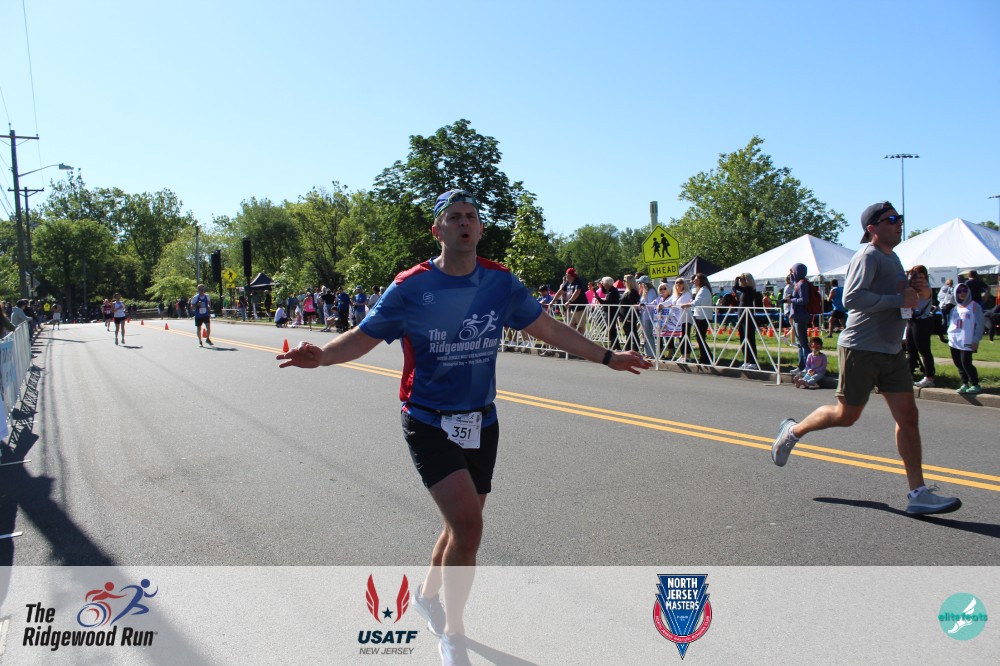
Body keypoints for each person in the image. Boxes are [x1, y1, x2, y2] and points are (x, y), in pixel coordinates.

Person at [276, 189, 649, 665]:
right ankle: (453, 633)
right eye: (453, 217)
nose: (464, 223)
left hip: (480, 421)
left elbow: (548, 328)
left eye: (471, 216)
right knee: (469, 527)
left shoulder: (499, 282)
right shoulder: (410, 286)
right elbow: (363, 336)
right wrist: (324, 356)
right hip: (427, 420)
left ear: (480, 228)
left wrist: (607, 356)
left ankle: (426, 596)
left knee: (460, 527)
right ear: (438, 230)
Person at [771, 201, 961, 515]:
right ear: (872, 228)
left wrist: (922, 295)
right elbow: (852, 298)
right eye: (891, 219)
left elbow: (905, 304)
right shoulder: (867, 256)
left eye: (899, 218)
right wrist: (898, 299)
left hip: (891, 350)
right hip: (861, 348)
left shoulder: (894, 258)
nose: (898, 223)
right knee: (846, 416)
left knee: (908, 417)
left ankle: (918, 493)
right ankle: (792, 431)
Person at [947, 282, 985, 395]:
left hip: (967, 340)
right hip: (954, 340)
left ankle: (975, 384)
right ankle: (965, 383)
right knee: (958, 363)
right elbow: (951, 324)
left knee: (966, 363)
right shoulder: (954, 308)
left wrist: (976, 339)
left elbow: (980, 324)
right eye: (959, 291)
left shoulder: (974, 306)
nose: (962, 293)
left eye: (964, 290)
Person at [904, 266, 935, 388]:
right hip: (912, 320)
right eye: (915, 276)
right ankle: (908, 376)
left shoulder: (926, 288)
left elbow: (919, 294)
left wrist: (908, 284)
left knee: (924, 350)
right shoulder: (910, 286)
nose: (918, 279)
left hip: (923, 321)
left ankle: (929, 377)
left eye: (921, 276)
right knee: (911, 350)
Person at [787, 264, 812, 373]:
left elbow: (804, 300)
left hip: (801, 315)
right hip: (798, 315)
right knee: (800, 343)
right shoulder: (799, 283)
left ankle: (807, 366)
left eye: (793, 272)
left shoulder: (802, 284)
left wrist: (791, 300)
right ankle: (801, 366)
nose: (791, 274)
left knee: (803, 343)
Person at [734, 273, 760, 369]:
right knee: (743, 339)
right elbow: (735, 289)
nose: (740, 281)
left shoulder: (749, 289)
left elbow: (735, 287)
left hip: (748, 317)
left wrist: (736, 279)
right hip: (742, 317)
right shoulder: (744, 291)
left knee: (749, 339)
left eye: (742, 280)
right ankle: (747, 360)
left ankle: (753, 361)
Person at [687, 273, 713, 365]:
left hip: (703, 316)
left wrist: (687, 304)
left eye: (696, 280)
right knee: (700, 338)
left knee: (700, 338)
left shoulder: (704, 290)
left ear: (702, 281)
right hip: (700, 315)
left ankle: (707, 357)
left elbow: (697, 302)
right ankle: (705, 357)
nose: (694, 281)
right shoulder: (701, 290)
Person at [552, 268, 587, 334]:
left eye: (566, 274)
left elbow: (577, 292)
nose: (566, 276)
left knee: (581, 326)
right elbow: (560, 291)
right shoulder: (568, 282)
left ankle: (580, 338)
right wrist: (553, 301)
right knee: (569, 324)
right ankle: (579, 336)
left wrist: (569, 301)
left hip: (580, 307)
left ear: (571, 275)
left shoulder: (578, 281)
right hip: (572, 307)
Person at [594, 276, 621, 350]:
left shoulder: (612, 292)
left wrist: (598, 298)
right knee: (611, 329)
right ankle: (614, 345)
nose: (603, 285)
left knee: (611, 329)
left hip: (611, 312)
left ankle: (615, 346)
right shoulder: (611, 290)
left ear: (607, 284)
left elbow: (606, 303)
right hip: (610, 312)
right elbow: (603, 291)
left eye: (604, 283)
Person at [637, 276, 658, 358]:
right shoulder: (644, 292)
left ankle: (651, 354)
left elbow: (651, 304)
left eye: (640, 283)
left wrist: (642, 305)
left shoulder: (651, 291)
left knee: (648, 335)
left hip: (648, 316)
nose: (639, 284)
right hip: (644, 315)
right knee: (645, 335)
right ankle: (647, 353)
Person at [619, 275, 641, 352]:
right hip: (623, 315)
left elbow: (632, 306)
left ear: (629, 282)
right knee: (627, 333)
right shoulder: (627, 291)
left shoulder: (633, 292)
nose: (623, 282)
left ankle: (636, 349)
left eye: (624, 281)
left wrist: (629, 317)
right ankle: (628, 349)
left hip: (629, 316)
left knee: (633, 333)